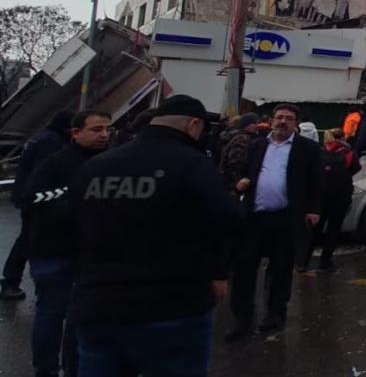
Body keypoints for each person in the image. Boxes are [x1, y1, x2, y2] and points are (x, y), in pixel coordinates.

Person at [71, 96, 244, 377]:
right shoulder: (192, 163)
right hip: (171, 307)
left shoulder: (96, 166)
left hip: (97, 304)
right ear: (194, 125)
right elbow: (227, 220)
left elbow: (71, 225)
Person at [24, 109, 113, 377]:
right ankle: (46, 367)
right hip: (53, 251)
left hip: (88, 254)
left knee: (80, 317)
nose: (104, 135)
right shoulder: (56, 162)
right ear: (76, 133)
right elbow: (32, 198)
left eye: (107, 129)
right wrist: (75, 204)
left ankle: (74, 367)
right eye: (96, 130)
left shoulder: (111, 162)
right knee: (51, 313)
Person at [227, 103, 323, 339]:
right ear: (271, 121)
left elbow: (317, 181)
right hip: (254, 216)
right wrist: (240, 181)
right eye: (279, 117)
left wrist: (314, 209)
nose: (282, 121)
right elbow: (240, 170)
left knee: (280, 269)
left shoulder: (307, 148)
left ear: (295, 123)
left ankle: (275, 314)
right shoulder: (257, 145)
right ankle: (242, 318)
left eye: (288, 118)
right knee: (244, 269)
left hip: (286, 217)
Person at [3, 112, 73, 302]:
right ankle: (11, 281)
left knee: (27, 239)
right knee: (28, 240)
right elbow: (43, 172)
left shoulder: (43, 137)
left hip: (29, 195)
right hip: (36, 198)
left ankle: (12, 281)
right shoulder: (51, 142)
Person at [300, 129, 361, 272]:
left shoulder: (319, 152)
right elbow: (355, 168)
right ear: (342, 138)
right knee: (333, 230)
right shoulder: (348, 153)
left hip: (320, 197)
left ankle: (303, 262)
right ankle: (325, 262)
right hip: (340, 196)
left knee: (314, 230)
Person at [219, 113, 263, 188]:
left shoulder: (242, 136)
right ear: (248, 124)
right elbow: (235, 162)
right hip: (233, 184)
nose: (258, 126)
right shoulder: (243, 138)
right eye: (255, 123)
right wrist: (238, 180)